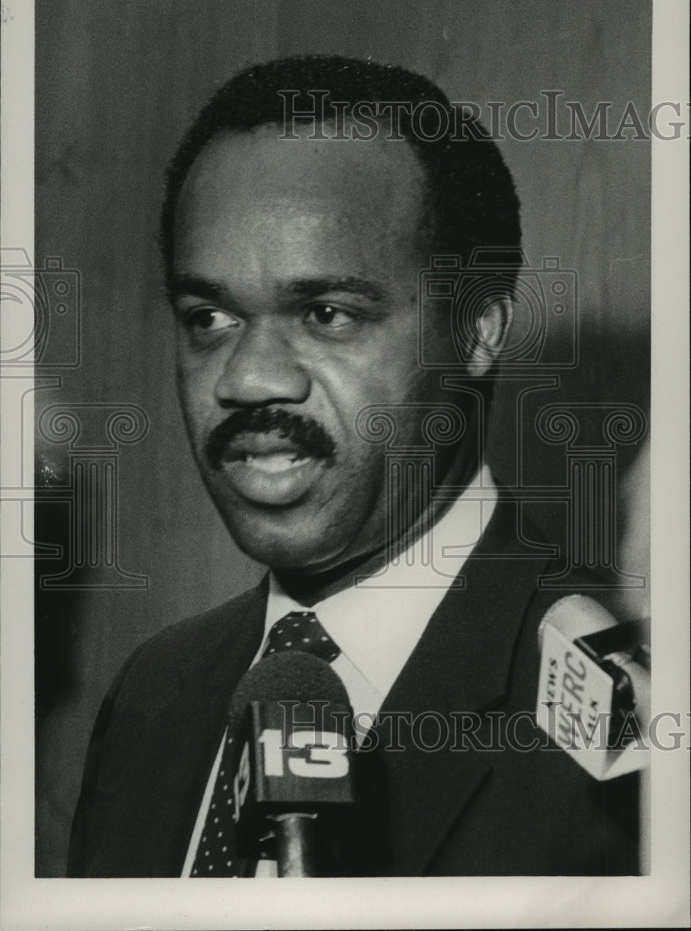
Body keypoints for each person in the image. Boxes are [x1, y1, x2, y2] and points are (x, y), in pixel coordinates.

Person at [67, 55, 640, 877]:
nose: (247, 378)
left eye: (327, 313)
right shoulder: (155, 693)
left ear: (476, 330)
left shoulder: (623, 729)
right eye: (210, 316)